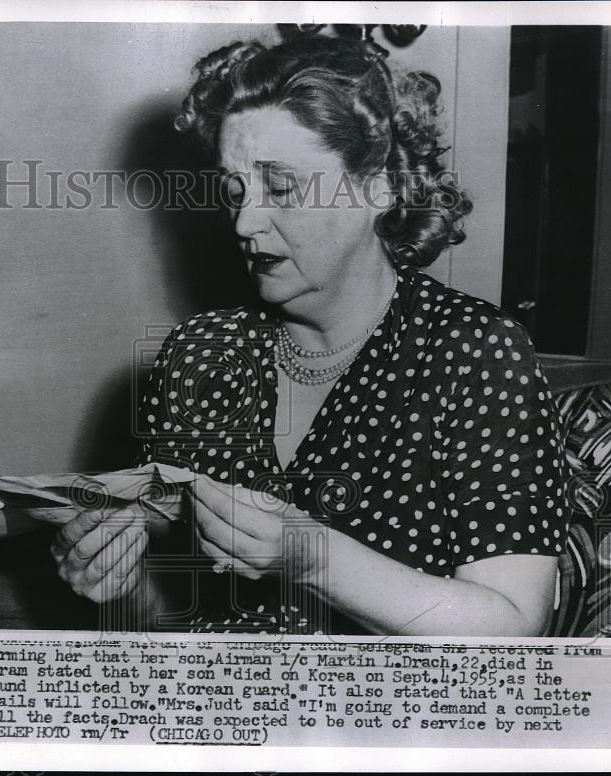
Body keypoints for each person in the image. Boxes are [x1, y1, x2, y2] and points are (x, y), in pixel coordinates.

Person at [52, 33, 572, 636]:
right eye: (235, 190)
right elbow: (178, 618)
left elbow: (512, 628)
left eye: (281, 188)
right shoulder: (203, 352)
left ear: (379, 186)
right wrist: (122, 586)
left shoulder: (475, 352)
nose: (245, 222)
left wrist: (311, 557)